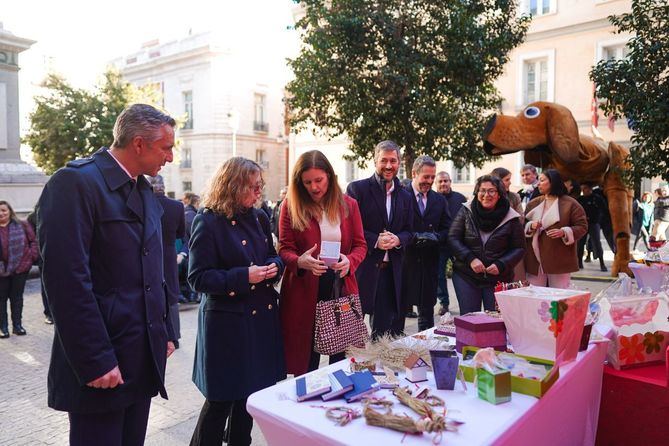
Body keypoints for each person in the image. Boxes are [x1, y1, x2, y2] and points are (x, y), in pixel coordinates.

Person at [36, 104, 177, 445]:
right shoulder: (74, 183)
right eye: (166, 148)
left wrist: (166, 330)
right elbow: (66, 283)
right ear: (139, 144)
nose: (170, 157)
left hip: (141, 357)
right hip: (104, 362)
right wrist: (95, 360)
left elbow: (158, 268)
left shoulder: (142, 187)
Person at [188, 157, 285, 446]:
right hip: (227, 326)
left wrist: (274, 267)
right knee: (220, 402)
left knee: (250, 399)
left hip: (259, 323)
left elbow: (272, 253)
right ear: (233, 186)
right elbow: (198, 278)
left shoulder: (259, 217)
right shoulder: (207, 220)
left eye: (260, 187)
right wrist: (244, 276)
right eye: (253, 187)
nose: (259, 193)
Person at [278, 150, 367, 375]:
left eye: (319, 180)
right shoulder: (290, 205)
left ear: (329, 175)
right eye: (307, 182)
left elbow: (360, 245)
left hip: (339, 287)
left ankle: (339, 404)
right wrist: (300, 261)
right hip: (304, 289)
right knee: (307, 363)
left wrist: (350, 261)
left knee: (342, 360)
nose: (314, 187)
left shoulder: (349, 205)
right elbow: (284, 248)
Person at [346, 140, 413, 338]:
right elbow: (349, 229)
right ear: (375, 161)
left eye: (393, 160)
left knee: (381, 336)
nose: (389, 166)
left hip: (390, 274)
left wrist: (398, 239)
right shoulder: (358, 190)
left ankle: (378, 369)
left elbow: (410, 232)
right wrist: (375, 240)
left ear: (399, 162)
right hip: (362, 270)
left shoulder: (406, 196)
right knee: (352, 336)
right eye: (384, 160)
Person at [448, 175, 525, 314]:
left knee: (495, 321)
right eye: (482, 190)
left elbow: (519, 248)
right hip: (466, 275)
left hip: (498, 277)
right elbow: (453, 238)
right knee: (469, 319)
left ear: (499, 194)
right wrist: (470, 258)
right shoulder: (466, 210)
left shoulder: (511, 217)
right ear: (477, 193)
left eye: (491, 191)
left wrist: (501, 264)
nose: (486, 195)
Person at [402, 156, 450, 331]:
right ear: (414, 173)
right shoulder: (400, 195)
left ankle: (427, 352)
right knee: (399, 314)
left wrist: (436, 237)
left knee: (426, 316)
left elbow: (447, 229)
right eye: (425, 177)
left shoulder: (439, 200)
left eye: (432, 177)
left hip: (429, 263)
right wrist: (412, 237)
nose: (429, 181)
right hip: (404, 262)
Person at [524, 169, 588, 289]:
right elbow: (522, 225)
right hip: (534, 258)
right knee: (534, 295)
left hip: (559, 257)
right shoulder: (533, 203)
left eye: (542, 180)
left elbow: (582, 226)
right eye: (538, 180)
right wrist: (530, 226)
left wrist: (564, 232)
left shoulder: (570, 204)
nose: (538, 183)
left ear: (553, 182)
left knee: (559, 295)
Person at [149, 175, 187, 349]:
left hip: (148, 252)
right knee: (171, 293)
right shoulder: (177, 206)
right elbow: (181, 233)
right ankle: (174, 334)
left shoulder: (144, 204)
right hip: (169, 252)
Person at [0, 200, 38, 338]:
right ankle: (3, 328)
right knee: (1, 299)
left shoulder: (22, 224)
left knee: (17, 298)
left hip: (20, 268)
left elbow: (33, 241)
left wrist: (31, 258)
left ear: (10, 211)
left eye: (4, 210)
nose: (1, 213)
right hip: (1, 271)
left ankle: (17, 326)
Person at [435, 171, 466, 315]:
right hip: (439, 245)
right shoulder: (432, 199)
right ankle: (444, 303)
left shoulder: (460, 198)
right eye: (440, 181)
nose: (443, 184)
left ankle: (465, 302)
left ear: (450, 181)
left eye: (445, 181)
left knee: (461, 275)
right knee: (439, 275)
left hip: (458, 244)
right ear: (436, 183)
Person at [491, 167, 526, 281]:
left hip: (512, 241)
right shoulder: (488, 196)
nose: (510, 182)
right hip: (493, 243)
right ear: (498, 181)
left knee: (514, 280)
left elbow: (520, 218)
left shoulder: (514, 197)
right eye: (507, 179)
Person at [26, 208, 53, 324]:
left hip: (57, 256)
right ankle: (48, 313)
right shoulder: (32, 217)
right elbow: (30, 238)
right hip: (43, 257)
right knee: (45, 286)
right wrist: (35, 253)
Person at [577, 183, 608, 272]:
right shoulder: (580, 199)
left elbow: (604, 210)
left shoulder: (597, 198)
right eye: (583, 189)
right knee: (580, 243)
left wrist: (599, 219)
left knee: (597, 243)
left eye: (585, 188)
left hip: (594, 223)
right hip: (583, 224)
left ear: (590, 189)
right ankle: (579, 262)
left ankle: (602, 263)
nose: (584, 190)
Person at [181, 192, 201, 303]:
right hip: (190, 249)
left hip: (186, 248)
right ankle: (193, 295)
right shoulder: (191, 215)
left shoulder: (188, 213)